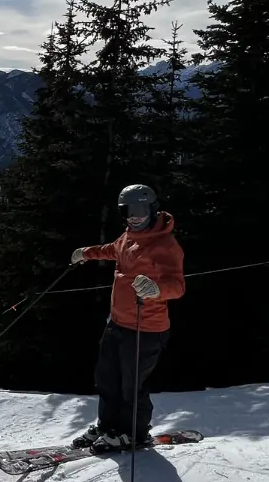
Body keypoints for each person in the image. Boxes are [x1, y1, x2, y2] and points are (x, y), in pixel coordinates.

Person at [68, 183, 185, 451]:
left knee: (132, 386)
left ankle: (133, 433)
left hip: (146, 328)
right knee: (107, 379)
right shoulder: (129, 237)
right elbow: (113, 250)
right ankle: (108, 425)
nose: (133, 217)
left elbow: (177, 285)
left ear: (152, 209)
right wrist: (86, 253)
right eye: (127, 211)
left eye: (139, 210)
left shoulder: (165, 244)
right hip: (117, 323)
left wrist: (157, 290)